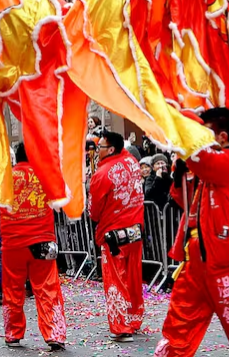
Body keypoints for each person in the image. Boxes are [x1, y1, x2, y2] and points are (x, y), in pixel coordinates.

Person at [155, 107, 229, 357]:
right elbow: (182, 199)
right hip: (194, 255)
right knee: (180, 318)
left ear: (223, 137)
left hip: (221, 256)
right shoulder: (205, 167)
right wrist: (180, 172)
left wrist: (186, 141)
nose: (199, 141)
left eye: (203, 134)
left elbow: (204, 161)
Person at [0, 144, 66, 350]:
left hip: (13, 242)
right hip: (43, 241)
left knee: (12, 288)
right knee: (47, 287)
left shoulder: (6, 177)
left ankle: (13, 333)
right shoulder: (45, 176)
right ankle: (54, 333)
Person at [89, 131, 145, 343]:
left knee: (115, 279)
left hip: (113, 233)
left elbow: (94, 211)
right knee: (133, 277)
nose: (96, 150)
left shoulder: (102, 174)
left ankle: (122, 327)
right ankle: (134, 318)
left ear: (110, 149)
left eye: (100, 146)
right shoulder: (132, 162)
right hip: (135, 230)